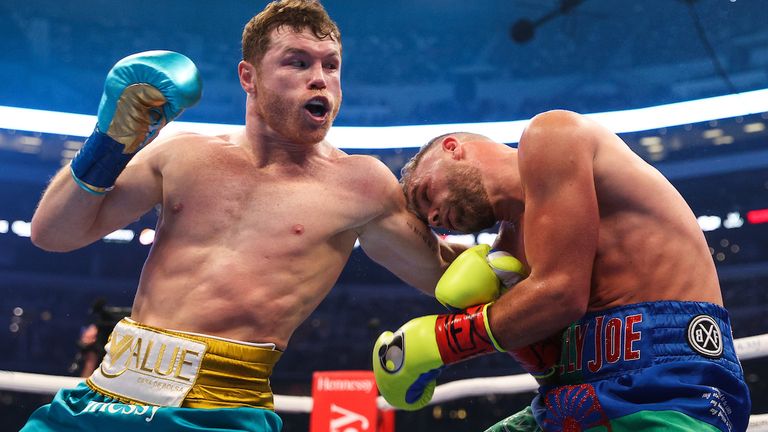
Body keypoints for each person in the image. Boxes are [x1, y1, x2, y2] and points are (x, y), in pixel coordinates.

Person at [23, 1, 461, 430]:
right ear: (248, 77)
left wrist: (515, 223)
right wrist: (110, 139)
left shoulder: (362, 184)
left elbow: (448, 279)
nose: (320, 80)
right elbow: (53, 233)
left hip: (221, 411)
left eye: (331, 65)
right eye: (298, 63)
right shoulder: (183, 154)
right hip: (106, 391)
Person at [372, 111, 752, 431]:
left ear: (452, 148)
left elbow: (561, 294)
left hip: (669, 386)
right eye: (431, 219)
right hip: (575, 397)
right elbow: (549, 353)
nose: (436, 215)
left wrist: (439, 342)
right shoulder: (509, 251)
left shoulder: (550, 137)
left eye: (426, 194)